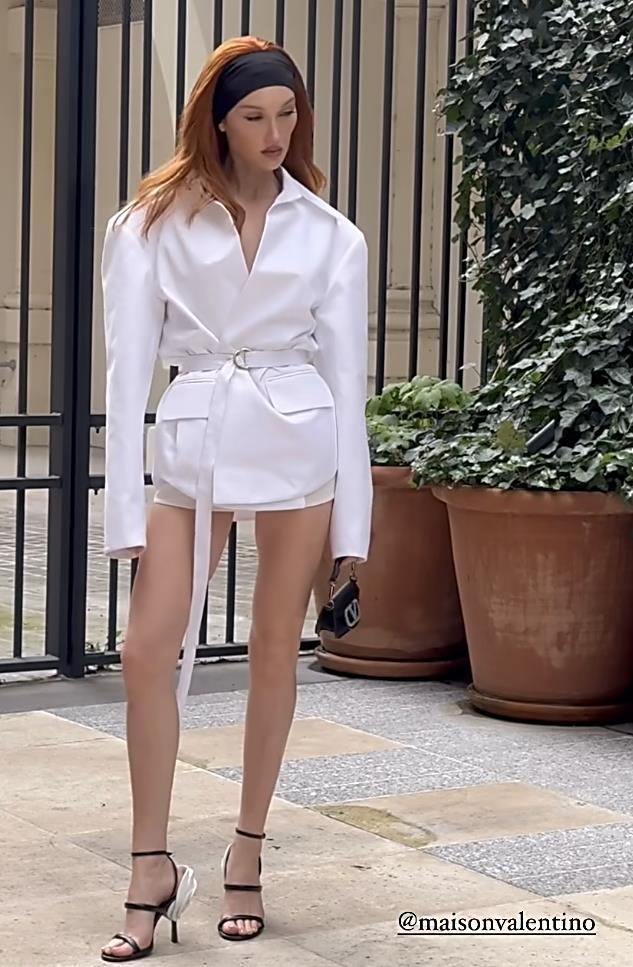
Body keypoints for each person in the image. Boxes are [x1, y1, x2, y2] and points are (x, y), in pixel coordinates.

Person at [99, 34, 372, 962]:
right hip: (195, 445)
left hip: (299, 446)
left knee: (272, 651)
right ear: (217, 121)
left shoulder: (331, 235)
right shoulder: (149, 223)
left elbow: (348, 382)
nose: (273, 132)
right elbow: (127, 372)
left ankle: (247, 848)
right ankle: (149, 863)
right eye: (253, 116)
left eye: (286, 114)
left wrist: (354, 532)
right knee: (146, 651)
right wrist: (123, 514)